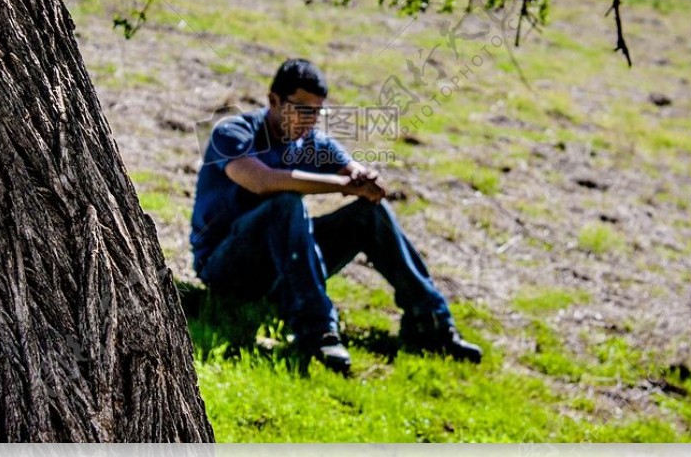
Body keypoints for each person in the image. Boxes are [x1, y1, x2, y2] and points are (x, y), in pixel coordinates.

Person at [190, 58, 482, 373]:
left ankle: (431, 323)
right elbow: (261, 181)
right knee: (285, 204)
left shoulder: (312, 142)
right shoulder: (232, 131)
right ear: (273, 100)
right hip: (226, 268)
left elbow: (352, 172)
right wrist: (344, 185)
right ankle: (317, 331)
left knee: (368, 215)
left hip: (278, 269)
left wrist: (364, 181)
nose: (310, 121)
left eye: (317, 113)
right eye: (302, 110)